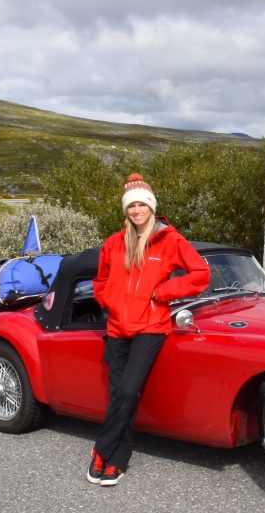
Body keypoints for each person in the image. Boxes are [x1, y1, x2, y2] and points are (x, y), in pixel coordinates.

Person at [87, 173, 210, 486]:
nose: (136, 210)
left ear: (151, 206)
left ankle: (102, 449)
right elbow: (99, 281)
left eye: (142, 204)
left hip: (150, 327)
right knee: (119, 394)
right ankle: (117, 459)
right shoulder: (114, 243)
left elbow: (200, 274)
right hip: (117, 327)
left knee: (128, 390)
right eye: (131, 205)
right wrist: (109, 301)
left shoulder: (170, 240)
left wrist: (163, 293)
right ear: (126, 210)